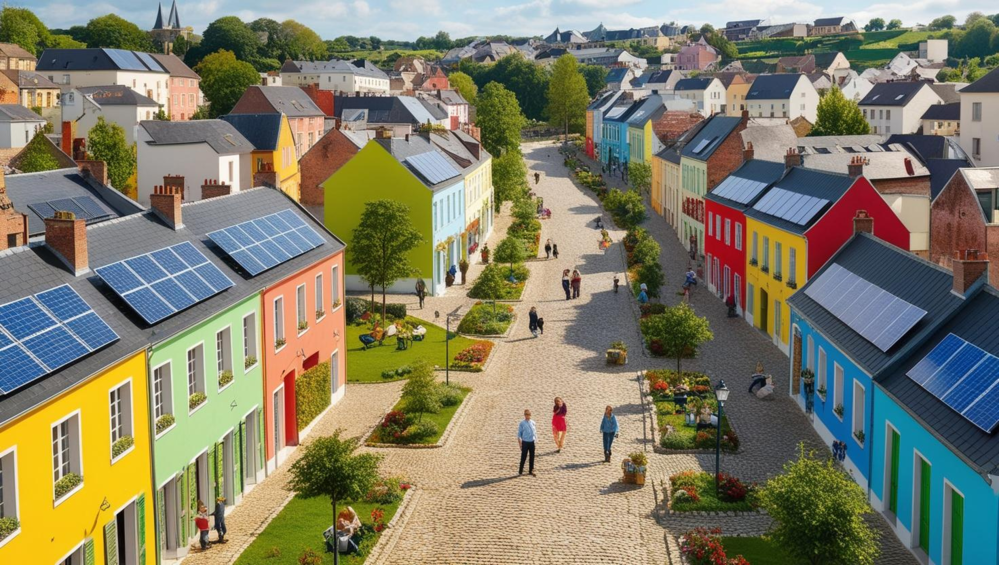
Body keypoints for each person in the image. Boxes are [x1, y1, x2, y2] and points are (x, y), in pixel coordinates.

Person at [518, 409, 537, 476]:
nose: (527, 416)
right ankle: (520, 470)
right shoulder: (522, 423)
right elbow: (519, 434)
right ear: (524, 415)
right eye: (526, 414)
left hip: (532, 442)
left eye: (528, 414)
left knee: (532, 457)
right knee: (524, 456)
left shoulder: (533, 422)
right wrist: (520, 444)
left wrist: (535, 440)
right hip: (525, 442)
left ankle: (531, 470)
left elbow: (535, 432)